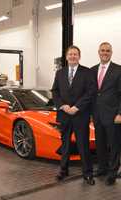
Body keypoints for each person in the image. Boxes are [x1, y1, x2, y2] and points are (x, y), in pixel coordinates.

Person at [52, 45, 95, 185]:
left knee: (83, 145)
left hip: (80, 115)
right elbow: (55, 91)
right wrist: (62, 106)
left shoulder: (87, 72)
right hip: (64, 115)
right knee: (65, 145)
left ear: (79, 56)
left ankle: (87, 173)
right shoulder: (60, 73)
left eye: (75, 54)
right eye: (70, 54)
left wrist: (77, 107)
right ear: (66, 57)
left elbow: (90, 93)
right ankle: (63, 171)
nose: (72, 56)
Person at [91, 42, 121, 185]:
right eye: (102, 50)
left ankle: (113, 172)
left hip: (113, 115)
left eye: (108, 51)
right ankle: (102, 168)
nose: (105, 53)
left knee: (114, 144)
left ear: (111, 53)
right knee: (100, 143)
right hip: (97, 115)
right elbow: (91, 93)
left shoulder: (118, 70)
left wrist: (120, 113)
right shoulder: (92, 70)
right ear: (98, 52)